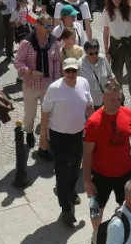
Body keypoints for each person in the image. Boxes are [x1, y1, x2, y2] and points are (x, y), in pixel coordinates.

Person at [86, 79, 131, 235]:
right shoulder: (93, 122)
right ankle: (96, 234)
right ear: (103, 98)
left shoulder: (127, 113)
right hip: (101, 175)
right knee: (97, 209)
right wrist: (87, 181)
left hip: (125, 172)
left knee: (130, 205)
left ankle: (128, 232)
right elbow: (86, 154)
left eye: (119, 99)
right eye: (112, 100)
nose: (116, 103)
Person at [41, 57, 96, 227]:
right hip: (58, 135)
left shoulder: (84, 83)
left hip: (77, 134)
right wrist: (43, 137)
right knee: (61, 170)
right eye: (68, 71)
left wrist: (93, 127)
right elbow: (45, 113)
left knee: (75, 169)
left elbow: (89, 106)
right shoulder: (54, 88)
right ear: (63, 71)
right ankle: (65, 208)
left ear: (78, 71)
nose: (71, 74)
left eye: (74, 71)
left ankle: (70, 190)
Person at [16, 18, 63, 153]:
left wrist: (56, 83)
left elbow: (55, 63)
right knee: (30, 115)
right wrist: (29, 72)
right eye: (47, 25)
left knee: (47, 116)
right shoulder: (26, 43)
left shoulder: (53, 42)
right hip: (31, 85)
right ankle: (29, 132)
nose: (50, 28)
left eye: (51, 25)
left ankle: (44, 145)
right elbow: (18, 62)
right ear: (38, 26)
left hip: (48, 86)